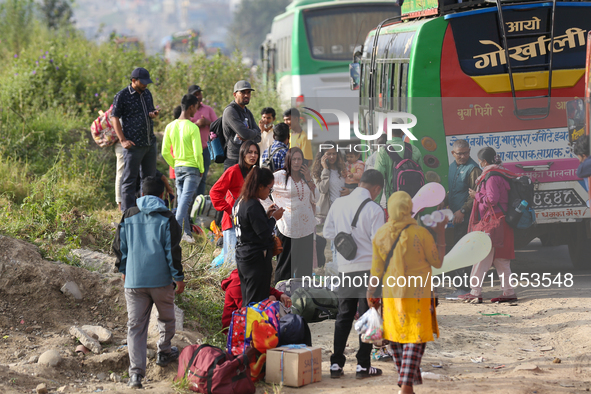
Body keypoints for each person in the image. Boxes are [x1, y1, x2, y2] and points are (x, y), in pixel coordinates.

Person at [367, 191, 447, 394]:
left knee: (395, 335)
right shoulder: (421, 234)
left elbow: (376, 269)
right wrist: (441, 233)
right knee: (415, 337)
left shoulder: (382, 234)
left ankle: (405, 382)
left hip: (392, 295)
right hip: (419, 295)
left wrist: (370, 292)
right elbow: (437, 262)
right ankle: (406, 385)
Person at [112, 176, 185, 389]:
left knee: (135, 327)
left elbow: (119, 246)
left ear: (141, 194)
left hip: (134, 281)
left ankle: (135, 375)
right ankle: (164, 352)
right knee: (166, 318)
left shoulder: (129, 214)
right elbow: (173, 251)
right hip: (161, 281)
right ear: (162, 195)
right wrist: (178, 277)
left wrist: (123, 268)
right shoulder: (167, 217)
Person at [323, 170, 385, 380]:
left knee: (343, 316)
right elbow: (379, 244)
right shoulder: (375, 209)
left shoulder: (338, 204)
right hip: (369, 270)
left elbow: (329, 233)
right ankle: (363, 366)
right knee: (369, 316)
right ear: (376, 188)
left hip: (345, 269)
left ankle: (336, 364)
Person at [459, 147, 516, 303]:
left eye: (480, 161)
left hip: (493, 222)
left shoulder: (490, 177)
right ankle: (508, 292)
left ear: (484, 161)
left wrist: (475, 195)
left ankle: (475, 292)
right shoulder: (501, 173)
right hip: (502, 222)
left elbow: (491, 199)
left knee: (481, 256)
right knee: (501, 259)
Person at [233, 167, 284, 305]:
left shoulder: (241, 201)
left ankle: (246, 325)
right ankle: (253, 327)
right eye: (269, 189)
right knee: (256, 303)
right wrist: (274, 218)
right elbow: (263, 234)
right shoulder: (252, 205)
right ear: (260, 186)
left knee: (248, 300)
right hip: (255, 259)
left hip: (244, 257)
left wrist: (266, 216)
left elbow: (250, 226)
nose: (269, 193)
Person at [111, 67, 160, 211]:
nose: (145, 85)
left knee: (149, 180)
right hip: (133, 145)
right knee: (129, 180)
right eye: (142, 82)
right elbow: (114, 118)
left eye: (147, 82)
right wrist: (122, 140)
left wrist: (153, 114)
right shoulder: (122, 96)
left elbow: (149, 111)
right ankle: (127, 214)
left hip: (149, 143)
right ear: (133, 81)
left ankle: (146, 211)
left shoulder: (147, 94)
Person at [267, 148, 317, 283]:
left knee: (304, 268)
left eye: (299, 159)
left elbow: (316, 198)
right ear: (288, 160)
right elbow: (264, 188)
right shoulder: (280, 176)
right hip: (286, 227)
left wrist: (309, 179)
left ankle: (303, 298)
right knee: (284, 266)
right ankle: (282, 297)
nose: (296, 162)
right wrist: (269, 207)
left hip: (306, 228)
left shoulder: (305, 176)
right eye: (293, 159)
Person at [441, 139, 482, 296]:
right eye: (460, 154)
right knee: (458, 251)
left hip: (467, 218)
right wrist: (444, 201)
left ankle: (464, 288)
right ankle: (462, 287)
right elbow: (454, 191)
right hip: (455, 217)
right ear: (453, 153)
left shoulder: (473, 169)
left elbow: (476, 195)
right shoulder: (452, 167)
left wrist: (463, 211)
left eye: (466, 153)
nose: (463, 156)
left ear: (469, 151)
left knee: (464, 253)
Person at [162, 94, 204, 243]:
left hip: (178, 168)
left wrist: (174, 164)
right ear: (191, 107)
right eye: (196, 107)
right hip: (191, 168)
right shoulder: (192, 127)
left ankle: (186, 234)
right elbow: (198, 151)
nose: (196, 111)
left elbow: (165, 151)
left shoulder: (170, 126)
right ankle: (175, 232)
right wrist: (201, 168)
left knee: (182, 201)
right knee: (185, 201)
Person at [210, 141, 260, 265]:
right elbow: (214, 192)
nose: (253, 155)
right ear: (243, 154)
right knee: (232, 262)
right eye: (250, 152)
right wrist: (230, 210)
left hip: (247, 223)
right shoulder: (233, 171)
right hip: (232, 222)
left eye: (256, 153)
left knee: (244, 263)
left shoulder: (254, 173)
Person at [221, 268, 292, 332]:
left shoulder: (252, 276)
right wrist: (267, 302)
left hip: (252, 322)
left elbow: (266, 288)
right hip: (235, 329)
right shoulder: (236, 286)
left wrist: (281, 295)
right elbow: (247, 311)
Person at [374, 127, 422, 203]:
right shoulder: (414, 149)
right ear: (402, 133)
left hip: (394, 199)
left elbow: (377, 179)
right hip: (414, 199)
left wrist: (375, 203)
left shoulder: (382, 152)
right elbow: (421, 173)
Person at [222, 80, 261, 170]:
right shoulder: (230, 111)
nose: (246, 95)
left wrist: (251, 133)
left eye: (248, 93)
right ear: (235, 94)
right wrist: (251, 133)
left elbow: (259, 136)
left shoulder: (247, 112)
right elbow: (245, 134)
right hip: (234, 160)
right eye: (243, 92)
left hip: (247, 161)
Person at [188, 84, 218, 196]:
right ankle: (189, 204)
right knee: (191, 177)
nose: (198, 96)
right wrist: (196, 124)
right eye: (195, 94)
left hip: (204, 148)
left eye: (199, 93)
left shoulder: (208, 109)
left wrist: (207, 123)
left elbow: (217, 125)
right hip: (190, 149)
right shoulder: (186, 110)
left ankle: (198, 204)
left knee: (202, 177)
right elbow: (182, 126)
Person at [312, 143, 348, 224]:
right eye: (328, 154)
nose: (332, 156)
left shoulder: (343, 169)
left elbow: (353, 185)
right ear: (322, 156)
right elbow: (322, 189)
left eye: (334, 153)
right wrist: (325, 169)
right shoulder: (317, 173)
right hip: (328, 214)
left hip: (343, 211)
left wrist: (349, 191)